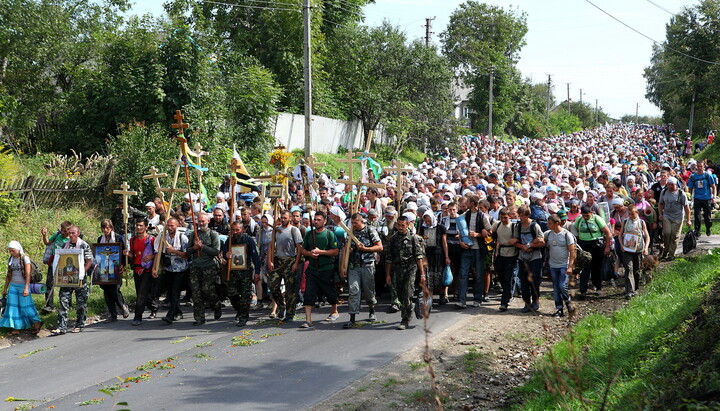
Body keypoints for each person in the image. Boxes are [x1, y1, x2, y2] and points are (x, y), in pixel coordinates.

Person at [299, 211, 339, 328]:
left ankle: (334, 310)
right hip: (312, 269)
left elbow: (335, 251)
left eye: (319, 220)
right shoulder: (309, 234)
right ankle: (308, 320)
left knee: (330, 292)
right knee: (309, 294)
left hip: (326, 269)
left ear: (325, 221)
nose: (316, 222)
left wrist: (320, 252)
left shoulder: (329, 235)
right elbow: (302, 250)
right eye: (315, 220)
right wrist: (310, 254)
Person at [385, 216, 425, 330]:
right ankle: (408, 307)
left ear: (407, 225)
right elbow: (389, 258)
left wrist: (422, 274)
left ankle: (405, 319)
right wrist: (388, 274)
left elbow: (419, 256)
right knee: (401, 295)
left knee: (407, 293)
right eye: (399, 225)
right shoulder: (393, 239)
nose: (401, 228)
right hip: (398, 270)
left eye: (403, 225)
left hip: (411, 269)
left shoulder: (413, 238)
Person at [343, 213, 383, 329]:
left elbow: (379, 247)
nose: (354, 225)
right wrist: (343, 266)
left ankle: (371, 309)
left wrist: (366, 249)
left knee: (368, 291)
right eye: (352, 223)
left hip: (367, 265)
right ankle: (352, 317)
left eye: (356, 223)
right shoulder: (350, 232)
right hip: (354, 266)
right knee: (353, 290)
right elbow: (346, 249)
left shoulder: (370, 230)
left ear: (361, 222)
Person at [52, 226, 93, 335]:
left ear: (78, 233)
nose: (71, 235)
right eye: (69, 233)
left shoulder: (84, 245)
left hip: (80, 279)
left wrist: (82, 272)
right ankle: (61, 327)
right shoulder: (64, 245)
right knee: (63, 301)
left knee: (81, 303)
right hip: (66, 279)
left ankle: (79, 324)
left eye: (73, 233)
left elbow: (89, 261)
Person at [0, 241, 43, 336]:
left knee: (26, 306)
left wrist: (26, 288)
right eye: (10, 251)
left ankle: (37, 322)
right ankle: (16, 327)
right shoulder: (11, 259)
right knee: (13, 307)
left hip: (23, 286)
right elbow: (8, 275)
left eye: (13, 251)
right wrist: (5, 288)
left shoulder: (25, 259)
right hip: (13, 286)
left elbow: (28, 274)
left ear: (18, 249)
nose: (11, 253)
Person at [187, 213, 222, 325]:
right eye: (199, 221)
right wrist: (194, 247)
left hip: (209, 266)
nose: (201, 223)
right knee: (196, 292)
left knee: (207, 290)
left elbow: (216, 251)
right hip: (195, 266)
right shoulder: (193, 234)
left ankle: (216, 305)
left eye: (203, 221)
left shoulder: (213, 234)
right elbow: (187, 251)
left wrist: (202, 247)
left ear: (208, 221)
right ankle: (199, 317)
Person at [223, 221, 261, 327]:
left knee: (245, 295)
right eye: (233, 230)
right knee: (231, 293)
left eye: (237, 230)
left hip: (245, 271)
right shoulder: (229, 241)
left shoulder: (248, 240)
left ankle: (243, 317)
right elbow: (224, 254)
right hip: (232, 272)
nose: (235, 232)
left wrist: (257, 271)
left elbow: (255, 256)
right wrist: (227, 255)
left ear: (242, 230)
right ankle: (240, 310)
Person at [267, 210, 303, 322]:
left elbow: (299, 248)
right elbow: (271, 246)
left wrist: (296, 263)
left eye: (285, 218)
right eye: (281, 217)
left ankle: (290, 313)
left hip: (290, 260)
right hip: (278, 260)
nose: (283, 220)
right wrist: (270, 261)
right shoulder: (276, 230)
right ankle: (281, 306)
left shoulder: (294, 230)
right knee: (272, 285)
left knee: (290, 289)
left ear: (290, 218)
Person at [154, 218, 189, 325]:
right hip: (169, 268)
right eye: (168, 226)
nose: (170, 228)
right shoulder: (164, 237)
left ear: (177, 226)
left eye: (172, 226)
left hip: (180, 269)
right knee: (171, 291)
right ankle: (178, 312)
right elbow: (158, 251)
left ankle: (170, 315)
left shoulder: (182, 238)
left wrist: (174, 251)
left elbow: (187, 255)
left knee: (175, 291)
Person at [574, 205, 613, 299]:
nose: (585, 217)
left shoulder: (597, 219)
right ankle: (583, 290)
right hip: (584, 245)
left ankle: (598, 287)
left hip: (596, 245)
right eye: (584, 215)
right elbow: (576, 230)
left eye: (587, 216)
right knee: (584, 268)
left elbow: (608, 233)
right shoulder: (579, 219)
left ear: (591, 213)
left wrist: (607, 247)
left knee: (597, 267)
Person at [513, 205, 545, 312]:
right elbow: (515, 242)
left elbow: (542, 241)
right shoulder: (518, 226)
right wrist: (523, 247)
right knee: (524, 281)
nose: (521, 218)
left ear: (527, 215)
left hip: (535, 257)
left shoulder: (534, 226)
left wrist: (531, 245)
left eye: (522, 216)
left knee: (534, 281)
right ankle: (527, 303)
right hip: (522, 257)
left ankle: (536, 301)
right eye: (519, 215)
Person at [97, 220, 129, 322]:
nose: (106, 230)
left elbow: (124, 253)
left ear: (111, 228)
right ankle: (113, 314)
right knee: (106, 291)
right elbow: (98, 253)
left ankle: (123, 306)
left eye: (108, 228)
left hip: (116, 267)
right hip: (104, 267)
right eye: (104, 228)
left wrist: (123, 265)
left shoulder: (119, 238)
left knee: (115, 289)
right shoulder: (100, 239)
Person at [544, 215, 576, 317]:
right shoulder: (548, 234)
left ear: (557, 223)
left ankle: (568, 301)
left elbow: (572, 252)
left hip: (564, 265)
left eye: (550, 223)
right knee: (556, 288)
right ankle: (559, 309)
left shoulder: (567, 235)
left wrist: (570, 266)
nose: (548, 225)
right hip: (553, 265)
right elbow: (541, 240)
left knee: (562, 286)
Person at [417, 210, 449, 308]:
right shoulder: (422, 229)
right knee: (429, 277)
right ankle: (429, 300)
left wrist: (447, 256)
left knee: (439, 277)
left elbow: (444, 242)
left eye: (429, 221)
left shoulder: (440, 228)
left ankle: (442, 294)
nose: (427, 223)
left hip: (439, 256)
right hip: (428, 256)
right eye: (426, 221)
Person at [128, 219, 157, 326]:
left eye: (141, 226)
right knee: (141, 292)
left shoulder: (151, 239)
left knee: (141, 293)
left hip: (147, 269)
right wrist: (127, 254)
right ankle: (154, 307)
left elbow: (158, 254)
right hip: (137, 268)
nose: (138, 228)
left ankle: (137, 316)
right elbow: (132, 254)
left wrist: (151, 257)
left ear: (146, 227)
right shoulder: (132, 239)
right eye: (137, 225)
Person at [619, 205, 650, 299]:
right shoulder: (625, 221)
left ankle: (635, 288)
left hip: (638, 249)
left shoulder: (641, 222)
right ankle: (629, 291)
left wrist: (646, 248)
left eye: (632, 214)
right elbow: (620, 235)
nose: (631, 216)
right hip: (627, 249)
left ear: (637, 213)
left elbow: (647, 236)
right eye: (629, 214)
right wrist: (621, 245)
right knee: (628, 268)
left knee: (636, 269)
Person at [40, 221, 71, 314]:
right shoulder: (57, 234)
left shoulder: (72, 239)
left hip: (65, 265)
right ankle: (49, 306)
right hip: (53, 263)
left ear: (69, 231)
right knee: (49, 283)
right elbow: (47, 242)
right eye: (61, 230)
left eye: (65, 231)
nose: (62, 233)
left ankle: (67, 305)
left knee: (66, 285)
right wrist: (44, 235)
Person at [658, 177, 691, 261]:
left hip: (678, 217)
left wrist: (688, 219)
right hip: (667, 216)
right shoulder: (664, 192)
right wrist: (660, 214)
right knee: (666, 233)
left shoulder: (681, 193)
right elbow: (660, 203)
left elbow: (686, 207)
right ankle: (665, 251)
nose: (670, 186)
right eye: (668, 184)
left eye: (671, 185)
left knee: (674, 236)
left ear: (676, 185)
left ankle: (671, 254)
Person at [687, 163, 716, 237]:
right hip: (697, 198)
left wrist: (714, 197)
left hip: (706, 198)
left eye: (701, 166)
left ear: (704, 167)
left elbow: (713, 186)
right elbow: (690, 187)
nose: (700, 168)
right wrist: (689, 197)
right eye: (698, 166)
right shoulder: (693, 176)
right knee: (697, 216)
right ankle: (697, 231)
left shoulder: (707, 175)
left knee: (707, 216)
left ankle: (708, 228)